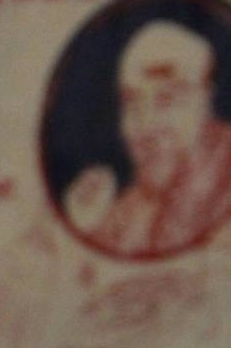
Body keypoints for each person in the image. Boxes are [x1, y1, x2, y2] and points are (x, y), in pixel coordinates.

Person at [66, 20, 231, 258]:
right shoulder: (128, 211)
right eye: (132, 103)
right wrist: (88, 228)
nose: (146, 126)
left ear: (206, 102)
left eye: (167, 99)